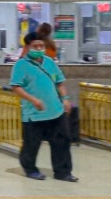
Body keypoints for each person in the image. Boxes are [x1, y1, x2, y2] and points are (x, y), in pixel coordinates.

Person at [9, 32, 78, 183]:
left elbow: (59, 82)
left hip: (55, 110)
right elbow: (16, 86)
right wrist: (33, 100)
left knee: (62, 141)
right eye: (35, 46)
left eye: (41, 46)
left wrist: (65, 99)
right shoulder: (21, 65)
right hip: (34, 113)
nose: (39, 48)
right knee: (31, 144)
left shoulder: (49, 62)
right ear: (27, 47)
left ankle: (63, 172)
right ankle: (30, 169)